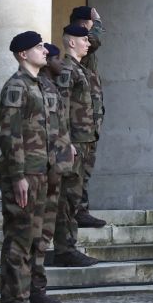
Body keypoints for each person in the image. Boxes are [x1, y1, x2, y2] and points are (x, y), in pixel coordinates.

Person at [0, 31, 55, 303]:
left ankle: (25, 299)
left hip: (39, 171)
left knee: (33, 239)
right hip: (22, 174)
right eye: (38, 47)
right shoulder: (16, 87)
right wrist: (18, 175)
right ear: (23, 54)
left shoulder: (40, 85)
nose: (45, 50)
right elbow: (10, 135)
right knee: (19, 238)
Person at [52, 24, 99, 267]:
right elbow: (61, 108)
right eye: (83, 39)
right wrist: (66, 140)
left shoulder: (80, 68)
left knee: (75, 195)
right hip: (74, 143)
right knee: (68, 198)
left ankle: (68, 246)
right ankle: (65, 248)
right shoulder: (68, 70)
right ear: (71, 42)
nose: (88, 43)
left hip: (85, 140)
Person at [34, 43, 73, 303]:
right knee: (28, 237)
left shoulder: (49, 87)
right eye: (48, 53)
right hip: (34, 171)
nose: (51, 58)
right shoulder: (23, 86)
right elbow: (12, 136)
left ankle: (35, 291)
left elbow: (57, 126)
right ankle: (23, 296)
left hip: (52, 169)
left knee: (43, 234)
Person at [69, 6, 106, 228]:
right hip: (78, 128)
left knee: (85, 172)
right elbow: (95, 40)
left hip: (88, 127)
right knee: (77, 173)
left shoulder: (86, 52)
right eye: (90, 28)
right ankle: (77, 212)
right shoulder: (81, 44)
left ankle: (81, 210)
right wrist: (97, 20)